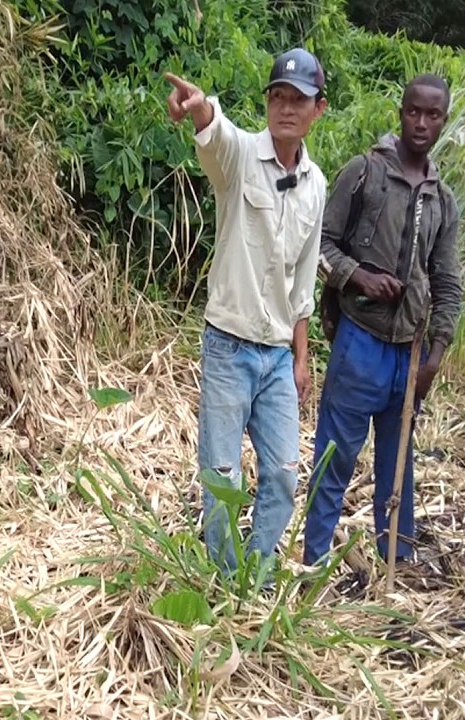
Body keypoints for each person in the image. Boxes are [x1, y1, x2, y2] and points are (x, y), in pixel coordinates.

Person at [163, 48, 327, 579]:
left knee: (282, 471)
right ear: (268, 102)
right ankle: (224, 577)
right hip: (229, 346)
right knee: (223, 474)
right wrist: (199, 107)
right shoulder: (240, 160)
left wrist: (302, 359)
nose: (286, 108)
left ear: (317, 109)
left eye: (297, 99)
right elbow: (218, 134)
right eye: (278, 96)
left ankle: (255, 570)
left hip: (278, 356)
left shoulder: (316, 186)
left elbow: (302, 284)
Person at [302, 75, 463, 566]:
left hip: (410, 354)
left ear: (443, 120)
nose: (422, 123)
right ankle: (313, 563)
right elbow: (319, 248)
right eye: (414, 111)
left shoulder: (443, 200)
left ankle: (398, 565)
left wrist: (434, 356)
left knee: (399, 468)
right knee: (335, 457)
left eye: (433, 115)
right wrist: (360, 279)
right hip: (360, 343)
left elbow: (448, 284)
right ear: (401, 111)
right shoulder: (364, 172)